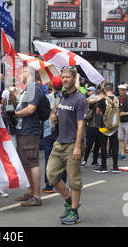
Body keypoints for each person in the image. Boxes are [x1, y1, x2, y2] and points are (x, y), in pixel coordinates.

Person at [46, 66, 87, 225]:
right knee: (51, 175)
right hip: (59, 142)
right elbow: (63, 116)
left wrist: (77, 147)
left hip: (72, 144)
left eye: (68, 77)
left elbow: (81, 125)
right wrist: (55, 118)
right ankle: (69, 201)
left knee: (74, 180)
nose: (64, 80)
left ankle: (74, 212)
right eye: (63, 77)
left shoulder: (80, 99)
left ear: (74, 78)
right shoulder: (63, 97)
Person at [14, 67, 43, 207]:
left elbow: (31, 109)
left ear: (28, 73)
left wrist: (16, 113)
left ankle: (36, 196)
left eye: (21, 72)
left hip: (30, 130)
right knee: (26, 162)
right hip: (23, 130)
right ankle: (31, 192)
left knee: (32, 162)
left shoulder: (34, 88)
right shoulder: (28, 88)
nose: (20, 74)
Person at [42, 76, 65, 193]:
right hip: (62, 132)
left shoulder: (46, 98)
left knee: (48, 159)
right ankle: (63, 183)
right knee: (63, 158)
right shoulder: (65, 98)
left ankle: (49, 186)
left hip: (48, 131)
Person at [94, 83, 120, 174]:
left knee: (104, 146)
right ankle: (115, 167)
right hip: (114, 126)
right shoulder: (117, 99)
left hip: (104, 126)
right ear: (112, 89)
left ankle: (104, 166)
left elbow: (98, 111)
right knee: (114, 146)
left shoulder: (102, 100)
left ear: (105, 90)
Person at [82, 86, 102, 168]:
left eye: (89, 91)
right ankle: (85, 160)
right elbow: (88, 101)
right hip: (91, 124)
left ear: (94, 91)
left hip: (98, 124)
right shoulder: (91, 99)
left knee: (97, 144)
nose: (88, 92)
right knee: (90, 144)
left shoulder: (101, 99)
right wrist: (98, 98)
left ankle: (94, 161)